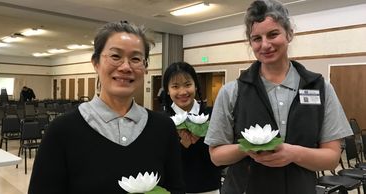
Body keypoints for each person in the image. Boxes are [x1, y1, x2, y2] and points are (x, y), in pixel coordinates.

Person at [204, 1, 353, 194]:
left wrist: (293, 153)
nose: (265, 45)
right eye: (257, 38)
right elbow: (216, 155)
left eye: (273, 34)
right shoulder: (232, 92)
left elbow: (332, 157)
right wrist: (247, 148)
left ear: (289, 34)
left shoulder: (321, 88)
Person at [28, 21, 185, 194]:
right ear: (96, 63)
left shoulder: (163, 127)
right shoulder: (62, 130)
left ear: (145, 67)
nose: (126, 67)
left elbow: (176, 188)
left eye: (135, 59)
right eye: (115, 56)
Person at [163, 62, 221, 194]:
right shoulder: (162, 121)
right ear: (167, 89)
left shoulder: (212, 115)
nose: (182, 92)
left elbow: (220, 161)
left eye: (188, 85)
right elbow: (161, 163)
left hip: (210, 189)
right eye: (175, 86)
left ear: (195, 86)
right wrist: (182, 146)